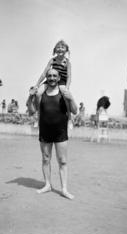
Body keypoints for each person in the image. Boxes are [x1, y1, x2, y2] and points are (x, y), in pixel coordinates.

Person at [27, 69, 77, 200]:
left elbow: (75, 110)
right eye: (49, 76)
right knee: (45, 159)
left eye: (55, 76)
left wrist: (71, 98)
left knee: (63, 161)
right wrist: (30, 96)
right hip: (45, 131)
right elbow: (32, 111)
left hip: (60, 132)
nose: (52, 78)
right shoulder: (40, 94)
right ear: (46, 78)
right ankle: (47, 184)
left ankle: (64, 189)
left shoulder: (64, 93)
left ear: (59, 77)